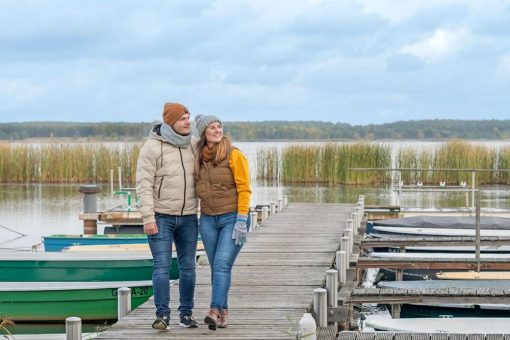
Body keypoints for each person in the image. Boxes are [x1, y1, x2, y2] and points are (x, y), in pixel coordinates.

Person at [136, 102, 199, 330]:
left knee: (188, 267)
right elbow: (143, 185)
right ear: (171, 122)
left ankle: (186, 314)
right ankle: (162, 315)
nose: (187, 122)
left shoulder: (193, 145)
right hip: (160, 217)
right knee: (161, 266)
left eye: (189, 118)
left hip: (189, 216)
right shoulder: (152, 147)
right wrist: (148, 217)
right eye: (183, 118)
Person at [193, 114, 252, 330]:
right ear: (203, 133)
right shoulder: (198, 156)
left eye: (219, 126)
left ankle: (214, 310)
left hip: (233, 218)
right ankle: (224, 313)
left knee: (221, 264)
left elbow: (244, 188)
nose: (218, 130)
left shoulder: (234, 154)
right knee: (217, 268)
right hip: (207, 219)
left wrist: (241, 220)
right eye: (212, 127)